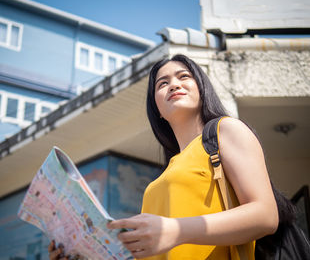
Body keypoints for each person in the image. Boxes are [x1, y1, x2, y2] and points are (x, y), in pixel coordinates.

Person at [48, 54, 279, 260]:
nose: (174, 85)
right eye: (163, 83)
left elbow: (265, 215)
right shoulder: (163, 177)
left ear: (201, 88)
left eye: (183, 76)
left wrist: (176, 230)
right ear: (157, 107)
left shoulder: (226, 130)